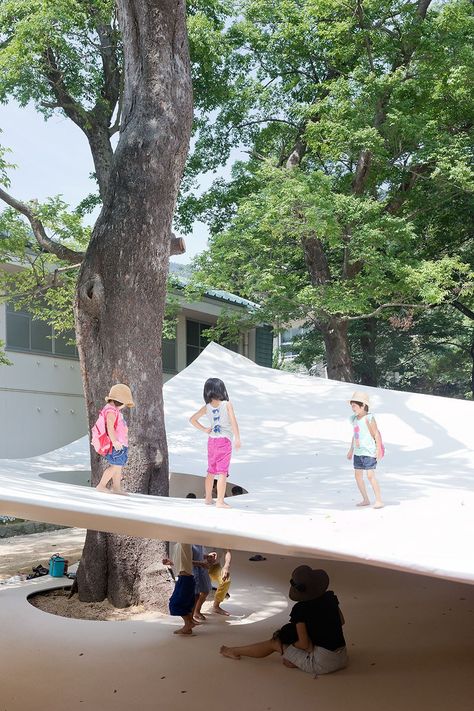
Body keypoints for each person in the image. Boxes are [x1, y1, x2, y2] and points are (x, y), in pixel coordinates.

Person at [220, 566, 348, 677]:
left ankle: (234, 651)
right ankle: (297, 659)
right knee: (298, 645)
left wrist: (287, 646)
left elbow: (305, 645)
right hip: (343, 657)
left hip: (323, 663)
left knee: (274, 643)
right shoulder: (330, 598)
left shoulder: (301, 609)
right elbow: (341, 621)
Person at [189, 377, 241, 508]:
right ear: (221, 389)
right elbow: (233, 422)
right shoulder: (227, 404)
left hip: (212, 440)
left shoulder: (206, 407)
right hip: (224, 440)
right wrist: (237, 438)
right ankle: (220, 501)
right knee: (223, 472)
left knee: (211, 471)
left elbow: (192, 419)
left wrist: (205, 429)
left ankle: (207, 498)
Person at [346, 391, 384, 509]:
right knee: (357, 475)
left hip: (368, 452)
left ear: (362, 405)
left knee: (370, 476)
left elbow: (376, 434)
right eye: (352, 406)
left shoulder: (369, 418)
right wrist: (351, 450)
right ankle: (365, 499)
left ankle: (379, 500)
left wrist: (378, 449)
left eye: (355, 406)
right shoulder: (354, 419)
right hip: (358, 452)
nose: (353, 408)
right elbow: (355, 435)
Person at [95, 384, 134, 494]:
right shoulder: (110, 411)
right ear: (120, 401)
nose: (124, 406)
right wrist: (115, 441)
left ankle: (117, 488)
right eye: (124, 404)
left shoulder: (114, 411)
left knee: (118, 467)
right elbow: (110, 427)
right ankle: (101, 485)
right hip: (116, 444)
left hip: (120, 444)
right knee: (115, 467)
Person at [163, 543, 197, 635]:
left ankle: (189, 623)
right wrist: (170, 562)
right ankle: (187, 628)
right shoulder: (178, 546)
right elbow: (182, 562)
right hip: (185, 578)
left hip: (185, 579)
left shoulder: (184, 543)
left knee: (175, 604)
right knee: (185, 605)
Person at [207, 549, 232, 615]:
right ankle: (195, 609)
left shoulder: (224, 538)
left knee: (226, 581)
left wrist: (226, 567)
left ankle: (216, 606)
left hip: (215, 566)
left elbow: (228, 551)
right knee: (199, 587)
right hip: (200, 565)